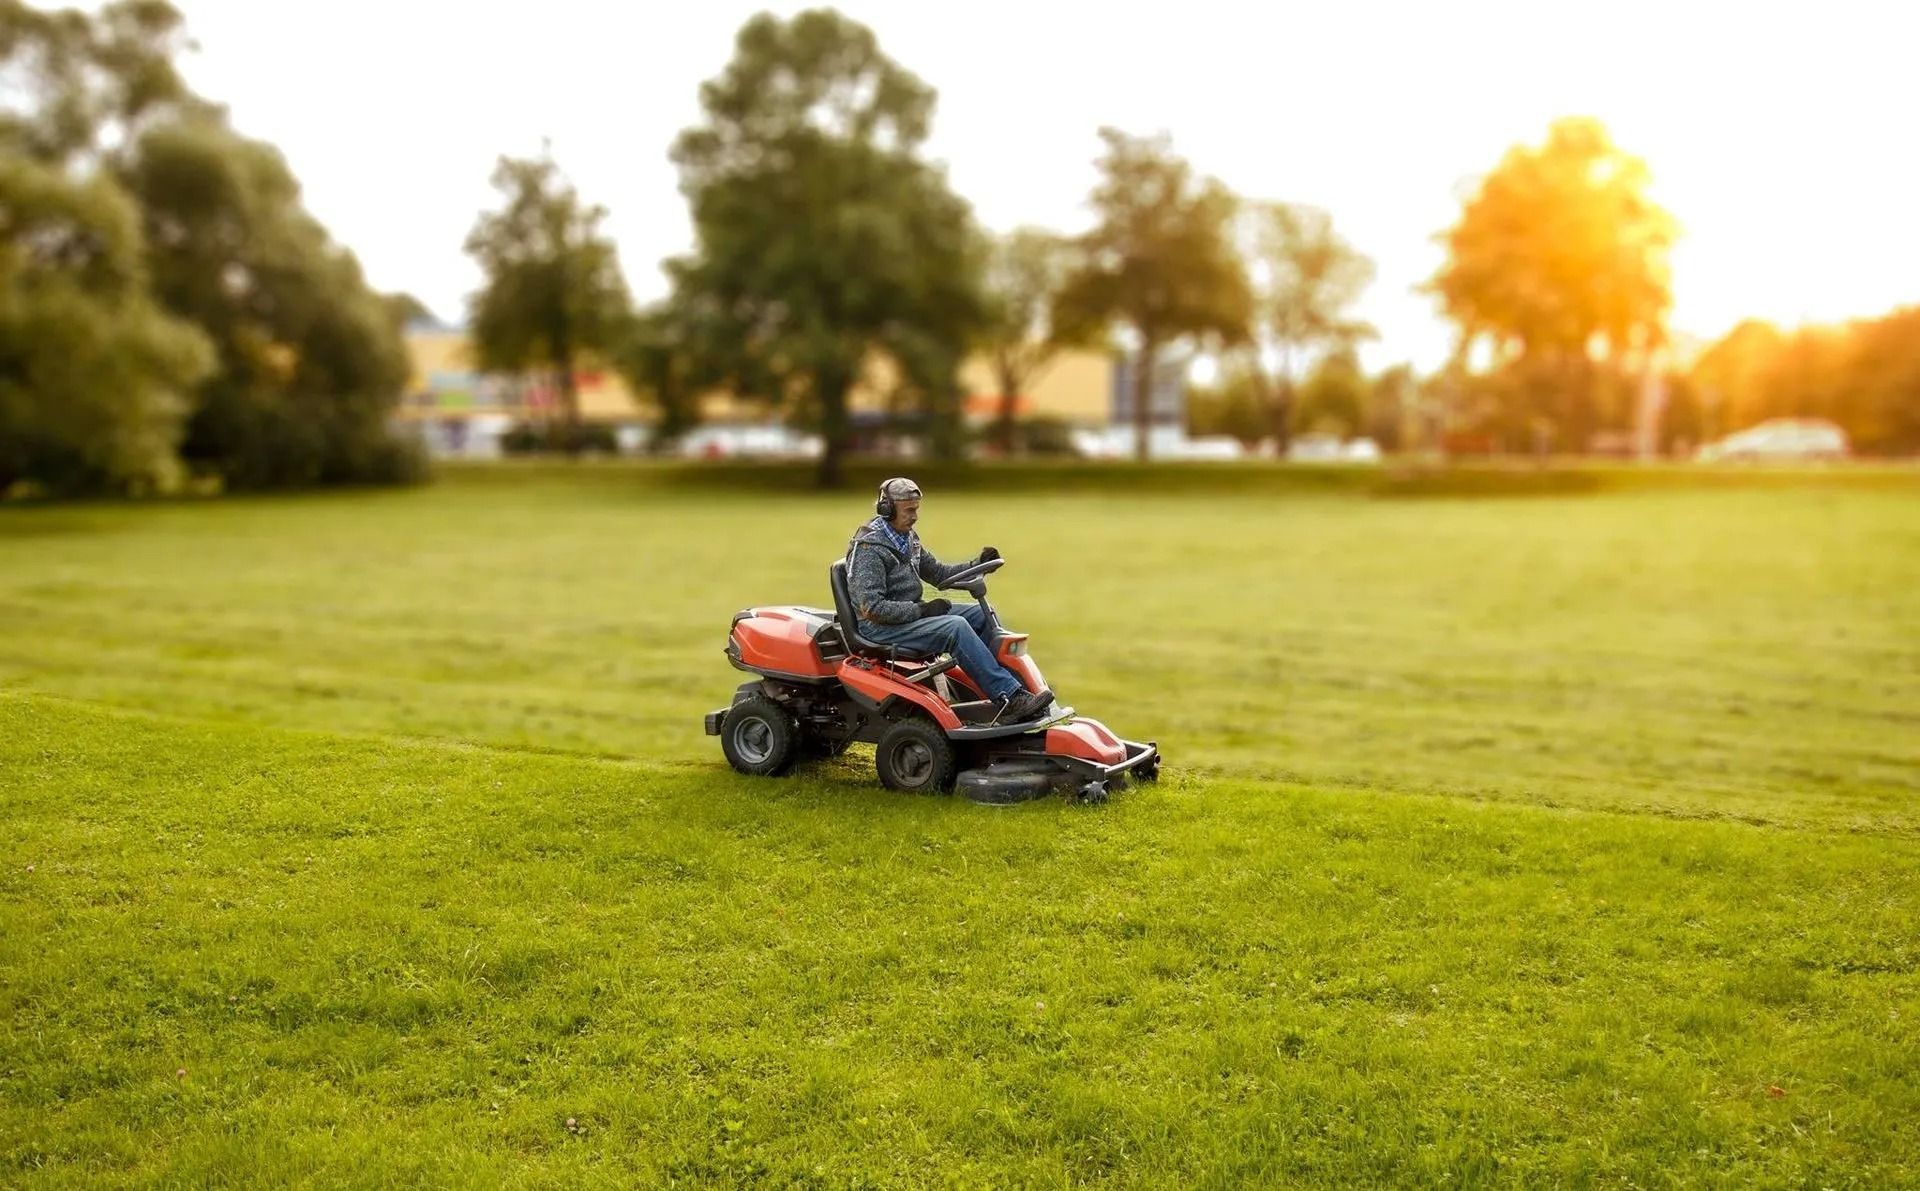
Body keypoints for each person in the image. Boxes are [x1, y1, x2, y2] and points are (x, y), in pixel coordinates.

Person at [846, 477, 1054, 723]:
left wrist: (978, 564)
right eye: (910, 510)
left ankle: (1018, 692)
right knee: (955, 627)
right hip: (880, 627)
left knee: (981, 614)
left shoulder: (906, 538)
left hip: (906, 617)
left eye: (917, 509)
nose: (915, 516)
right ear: (887, 509)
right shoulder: (869, 549)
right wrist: (922, 611)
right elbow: (872, 608)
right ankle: (1009, 697)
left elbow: (939, 573)